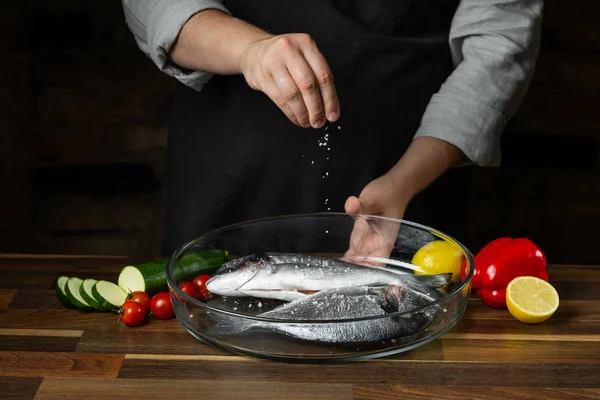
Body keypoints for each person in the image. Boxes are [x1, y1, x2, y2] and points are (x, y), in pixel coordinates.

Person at [121, 0, 542, 257]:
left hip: (406, 181)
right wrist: (248, 49)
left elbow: (498, 42)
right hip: (229, 168)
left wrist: (403, 181)